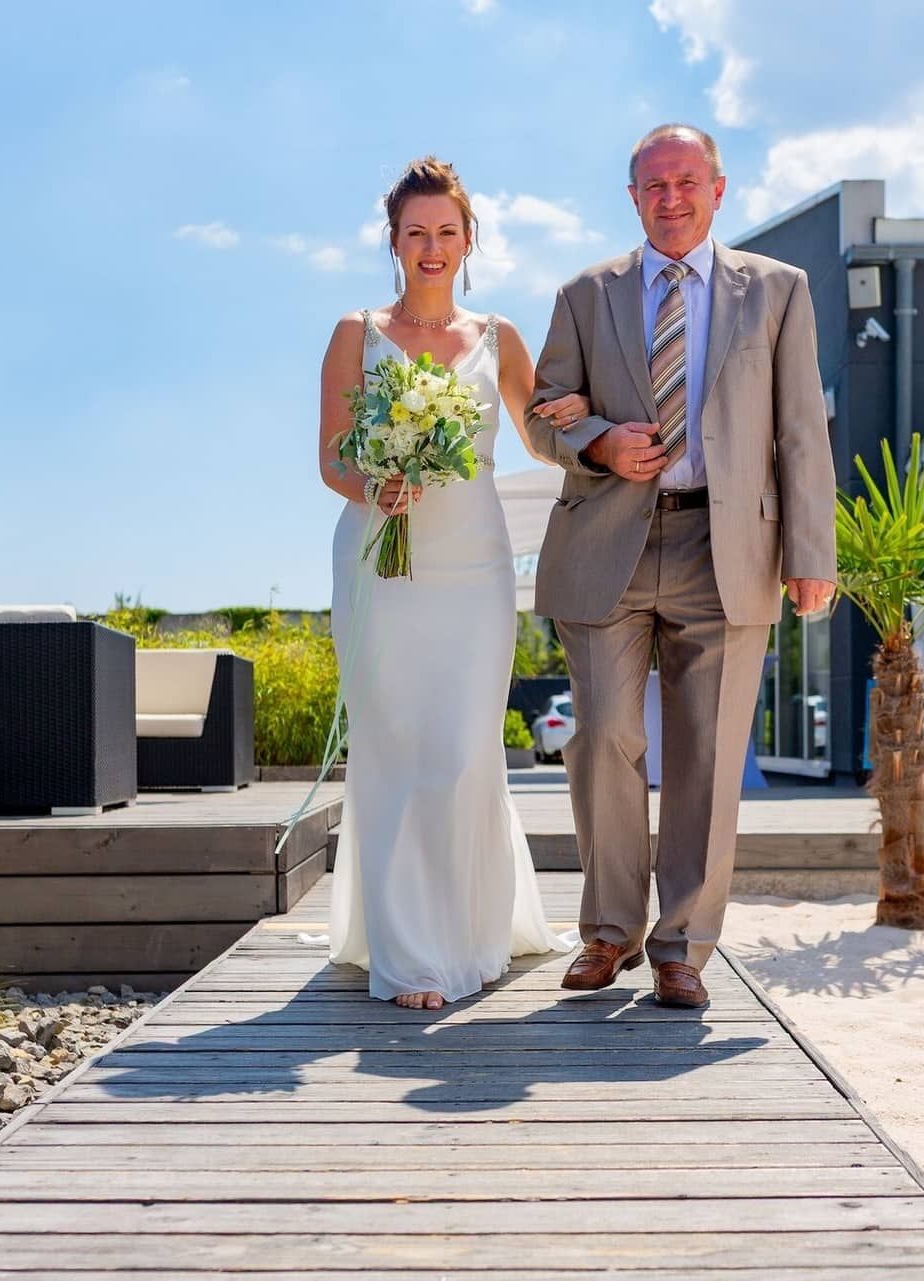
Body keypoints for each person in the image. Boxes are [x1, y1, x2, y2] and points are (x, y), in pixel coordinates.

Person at [525, 124, 837, 1008]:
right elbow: (542, 415)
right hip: (606, 545)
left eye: (686, 181)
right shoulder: (586, 294)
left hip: (727, 547)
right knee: (604, 741)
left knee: (706, 756)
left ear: (718, 189)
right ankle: (609, 932)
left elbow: (801, 429)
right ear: (633, 198)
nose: (670, 197)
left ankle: (683, 949)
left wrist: (812, 553)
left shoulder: (777, 291)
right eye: (653, 185)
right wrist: (597, 441)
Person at [316, 157, 587, 1010]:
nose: (432, 247)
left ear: (470, 240)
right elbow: (330, 455)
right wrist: (373, 484)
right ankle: (412, 955)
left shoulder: (499, 336)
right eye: (415, 232)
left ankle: (472, 929)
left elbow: (537, 438)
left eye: (447, 232)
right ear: (393, 241)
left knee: (466, 746)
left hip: (474, 565)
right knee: (395, 743)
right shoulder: (355, 332)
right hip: (380, 562)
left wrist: (573, 417)